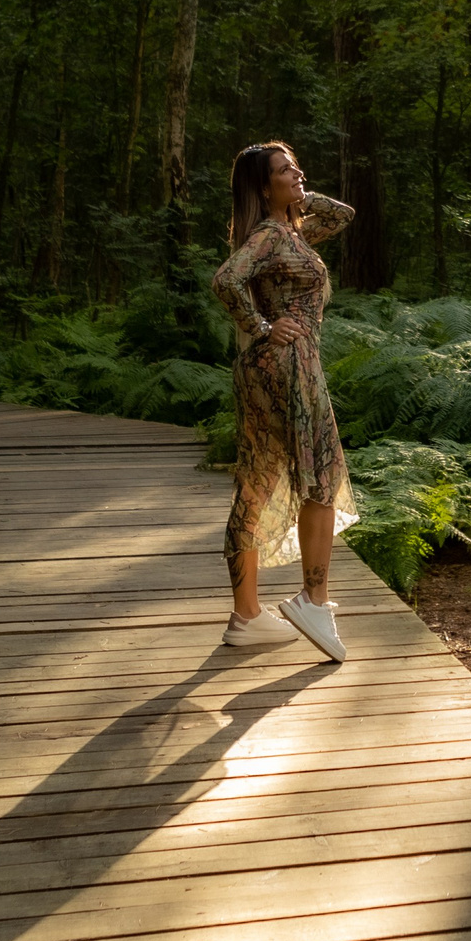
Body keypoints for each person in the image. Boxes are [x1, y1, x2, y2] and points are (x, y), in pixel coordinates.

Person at [211, 140, 356, 661]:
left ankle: (247, 617)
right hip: (288, 364)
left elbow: (342, 215)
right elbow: (226, 280)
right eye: (283, 170)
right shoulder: (271, 236)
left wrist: (297, 193)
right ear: (261, 186)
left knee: (256, 484)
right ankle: (312, 601)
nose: (297, 173)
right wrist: (262, 326)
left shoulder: (289, 233)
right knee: (322, 475)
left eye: (296, 166)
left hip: (271, 368)